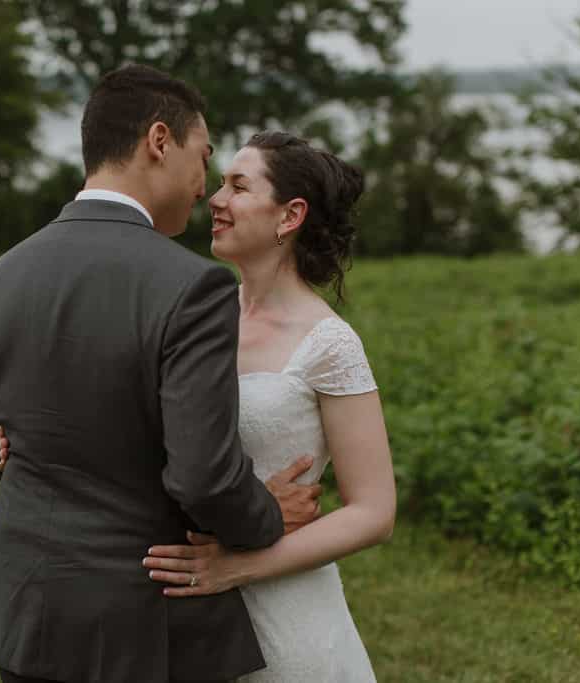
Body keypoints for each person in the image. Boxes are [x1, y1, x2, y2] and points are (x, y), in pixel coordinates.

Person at [0, 65, 321, 683]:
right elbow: (202, 477)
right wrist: (266, 511)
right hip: (142, 631)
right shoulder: (192, 286)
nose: (205, 187)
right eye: (203, 157)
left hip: (27, 620)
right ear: (160, 141)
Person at [139, 132, 396, 681]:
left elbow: (374, 512)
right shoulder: (198, 318)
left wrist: (240, 567)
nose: (215, 199)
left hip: (286, 617)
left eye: (238, 187)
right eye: (221, 184)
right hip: (186, 613)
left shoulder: (330, 343)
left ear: (290, 215)